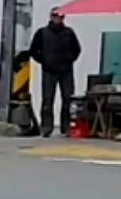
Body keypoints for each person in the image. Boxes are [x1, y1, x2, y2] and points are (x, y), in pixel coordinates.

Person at [30, 7, 83, 137]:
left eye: (60, 16)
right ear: (51, 17)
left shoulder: (69, 33)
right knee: (48, 100)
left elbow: (77, 49)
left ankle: (66, 128)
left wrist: (69, 60)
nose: (57, 18)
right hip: (49, 71)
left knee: (68, 99)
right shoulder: (42, 33)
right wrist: (44, 61)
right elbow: (33, 50)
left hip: (66, 71)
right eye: (55, 16)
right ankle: (46, 127)